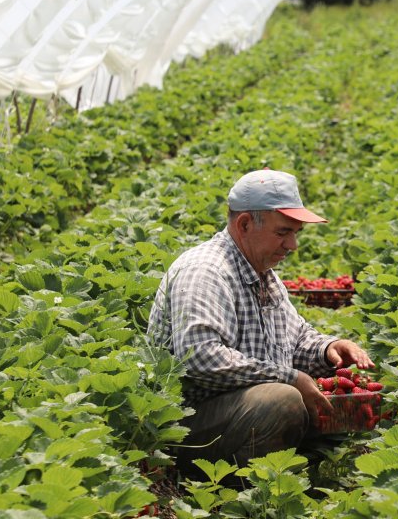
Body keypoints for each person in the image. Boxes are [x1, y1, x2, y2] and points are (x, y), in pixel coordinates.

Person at [147, 169, 374, 471]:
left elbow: (294, 340)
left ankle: (298, 468)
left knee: (317, 402)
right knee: (283, 400)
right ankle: (243, 486)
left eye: (295, 233)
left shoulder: (264, 274)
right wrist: (290, 378)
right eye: (282, 232)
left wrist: (328, 349)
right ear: (244, 224)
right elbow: (200, 358)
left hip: (240, 412)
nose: (292, 245)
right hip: (189, 425)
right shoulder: (205, 272)